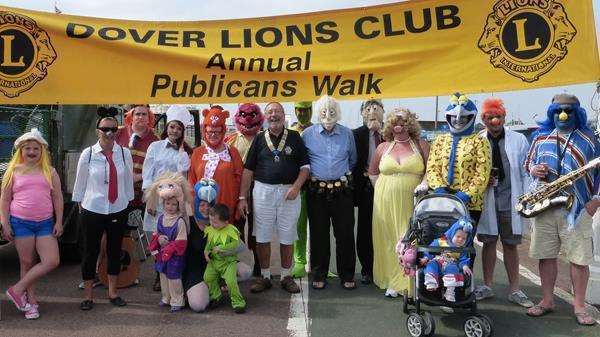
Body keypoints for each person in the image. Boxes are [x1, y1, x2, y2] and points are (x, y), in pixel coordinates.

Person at [524, 94, 599, 326]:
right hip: (544, 207)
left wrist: (595, 201)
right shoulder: (540, 138)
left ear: (577, 113)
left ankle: (579, 306)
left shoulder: (590, 140)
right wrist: (534, 169)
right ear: (551, 113)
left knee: (579, 259)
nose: (562, 115)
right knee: (546, 256)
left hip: (577, 209)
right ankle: (547, 300)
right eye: (557, 111)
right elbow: (527, 164)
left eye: (568, 110)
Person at [238, 102, 310, 294]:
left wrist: (296, 187)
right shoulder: (260, 139)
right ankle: (265, 276)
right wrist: (242, 197)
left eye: (277, 111)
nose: (274, 115)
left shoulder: (294, 137)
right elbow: (248, 170)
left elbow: (305, 167)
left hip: (289, 193)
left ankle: (286, 276)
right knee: (262, 235)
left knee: (287, 235)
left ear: (284, 115)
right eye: (270, 112)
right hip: (263, 192)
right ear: (265, 116)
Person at [72, 114, 134, 311]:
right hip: (93, 209)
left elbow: (127, 183)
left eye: (113, 129)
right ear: (97, 130)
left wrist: (127, 202)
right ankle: (88, 295)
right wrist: (82, 208)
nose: (109, 133)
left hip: (118, 208)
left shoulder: (124, 154)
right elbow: (79, 185)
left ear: (117, 131)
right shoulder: (88, 154)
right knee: (90, 251)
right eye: (105, 129)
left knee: (115, 251)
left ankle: (113, 292)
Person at [475, 98, 533, 307]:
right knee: (488, 242)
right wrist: (484, 179)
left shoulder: (519, 140)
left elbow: (528, 170)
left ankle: (515, 289)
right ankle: (488, 285)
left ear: (504, 117)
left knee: (510, 244)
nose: (495, 121)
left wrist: (527, 198)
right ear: (484, 119)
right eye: (490, 117)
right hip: (488, 198)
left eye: (498, 116)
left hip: (511, 198)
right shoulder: (477, 140)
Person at [1, 129, 63, 320]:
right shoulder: (12, 171)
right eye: (27, 148)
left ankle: (17, 290)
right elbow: (4, 199)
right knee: (27, 263)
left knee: (52, 260)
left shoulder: (50, 171)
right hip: (20, 223)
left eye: (36, 148)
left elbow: (57, 197)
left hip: (45, 223)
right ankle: (31, 303)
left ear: (41, 151)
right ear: (21, 150)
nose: (31, 152)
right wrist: (5, 223)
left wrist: (59, 221)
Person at [370, 108, 429, 298]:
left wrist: (424, 183)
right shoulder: (382, 147)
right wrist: (381, 188)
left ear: (410, 123)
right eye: (394, 120)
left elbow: (430, 170)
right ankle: (392, 280)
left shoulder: (421, 145)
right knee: (388, 239)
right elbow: (372, 172)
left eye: (403, 120)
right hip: (384, 200)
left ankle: (408, 281)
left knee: (408, 238)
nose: (399, 124)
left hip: (411, 200)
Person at [302, 95, 357, 290]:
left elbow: (352, 160)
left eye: (332, 111)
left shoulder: (347, 134)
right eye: (324, 112)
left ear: (338, 113)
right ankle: (319, 274)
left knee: (345, 234)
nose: (328, 116)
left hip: (342, 191)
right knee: (318, 234)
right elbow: (304, 162)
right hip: (316, 192)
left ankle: (347, 274)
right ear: (318, 113)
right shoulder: (307, 134)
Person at [142, 105, 192, 290]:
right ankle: (159, 274)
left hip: (174, 201)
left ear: (182, 132)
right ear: (166, 127)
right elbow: (148, 173)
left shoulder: (185, 152)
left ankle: (174, 273)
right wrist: (150, 200)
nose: (175, 131)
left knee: (174, 237)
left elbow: (184, 176)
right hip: (157, 198)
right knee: (158, 237)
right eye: (172, 127)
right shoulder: (154, 147)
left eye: (178, 128)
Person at [183, 179, 251, 313]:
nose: (206, 209)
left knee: (245, 271)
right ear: (196, 205)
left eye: (209, 205)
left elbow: (241, 247)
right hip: (195, 269)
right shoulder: (187, 222)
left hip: (220, 264)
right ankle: (207, 288)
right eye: (202, 205)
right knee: (199, 305)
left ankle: (221, 285)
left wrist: (224, 249)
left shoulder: (218, 222)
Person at [427, 93, 491, 223]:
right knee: (441, 241)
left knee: (462, 241)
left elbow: (482, 173)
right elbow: (432, 167)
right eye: (454, 116)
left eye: (463, 117)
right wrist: (439, 190)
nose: (458, 119)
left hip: (469, 204)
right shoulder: (440, 140)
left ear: (471, 118)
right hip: (441, 201)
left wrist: (465, 195)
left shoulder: (480, 141)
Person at [114, 104, 160, 289]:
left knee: (155, 235)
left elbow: (158, 168)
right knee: (118, 235)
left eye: (144, 114)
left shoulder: (155, 140)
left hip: (143, 195)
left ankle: (160, 273)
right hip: (119, 195)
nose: (140, 117)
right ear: (130, 117)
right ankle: (116, 271)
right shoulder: (118, 133)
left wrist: (139, 177)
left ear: (149, 118)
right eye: (137, 114)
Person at [188, 106, 244, 232]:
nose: (213, 135)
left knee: (224, 244)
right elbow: (191, 181)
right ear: (204, 131)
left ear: (223, 131)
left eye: (217, 132)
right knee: (203, 243)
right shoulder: (197, 153)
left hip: (225, 205)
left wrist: (241, 200)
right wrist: (193, 205)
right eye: (209, 131)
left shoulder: (232, 152)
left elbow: (240, 178)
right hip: (201, 208)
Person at [225, 102, 264, 277]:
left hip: (259, 188)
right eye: (244, 115)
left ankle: (259, 264)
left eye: (252, 115)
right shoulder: (230, 140)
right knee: (236, 226)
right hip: (237, 189)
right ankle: (236, 263)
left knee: (258, 227)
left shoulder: (265, 138)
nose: (248, 119)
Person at [145, 172, 191, 312]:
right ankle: (166, 298)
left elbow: (181, 242)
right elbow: (157, 234)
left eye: (173, 204)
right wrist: (158, 239)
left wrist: (169, 248)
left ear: (178, 205)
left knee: (174, 278)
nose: (170, 207)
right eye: (167, 204)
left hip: (174, 257)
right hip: (162, 255)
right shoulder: (161, 219)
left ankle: (178, 300)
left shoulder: (180, 221)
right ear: (163, 204)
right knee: (163, 276)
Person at [352, 99, 385, 285]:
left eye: (377, 108)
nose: (372, 112)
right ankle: (367, 268)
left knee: (386, 226)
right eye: (368, 109)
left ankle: (386, 265)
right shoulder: (355, 134)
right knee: (365, 229)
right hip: (364, 187)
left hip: (387, 185)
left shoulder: (390, 133)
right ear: (363, 113)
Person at [204, 203, 247, 314]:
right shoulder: (210, 230)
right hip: (214, 262)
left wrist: (222, 248)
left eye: (215, 222)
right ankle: (215, 295)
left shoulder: (231, 231)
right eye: (211, 221)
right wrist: (206, 252)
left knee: (231, 281)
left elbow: (236, 244)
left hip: (228, 263)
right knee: (208, 277)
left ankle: (238, 302)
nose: (212, 224)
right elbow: (209, 244)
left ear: (226, 222)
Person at [421, 218, 474, 302]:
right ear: (452, 234)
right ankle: (431, 280)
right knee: (431, 264)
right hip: (438, 262)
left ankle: (450, 291)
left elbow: (463, 260)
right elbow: (430, 250)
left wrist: (464, 266)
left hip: (451, 265)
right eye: (458, 236)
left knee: (453, 268)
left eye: (463, 239)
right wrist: (426, 258)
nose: (460, 240)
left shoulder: (462, 249)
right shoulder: (441, 241)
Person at [289, 101, 313, 279]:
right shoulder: (290, 133)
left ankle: (320, 262)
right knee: (299, 225)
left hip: (319, 184)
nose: (303, 113)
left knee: (319, 226)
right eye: (300, 110)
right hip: (299, 185)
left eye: (306, 110)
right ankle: (299, 261)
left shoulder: (318, 130)